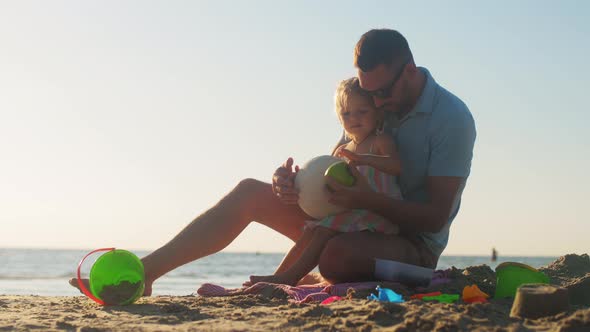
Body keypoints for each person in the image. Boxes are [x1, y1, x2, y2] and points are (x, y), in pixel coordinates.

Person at [70, 28, 476, 295]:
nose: (377, 103)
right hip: (349, 220)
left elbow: (434, 218)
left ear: (409, 71)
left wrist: (366, 199)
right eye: (370, 95)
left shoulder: (450, 118)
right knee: (251, 192)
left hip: (410, 245)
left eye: (383, 92)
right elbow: (338, 181)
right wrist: (296, 189)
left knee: (335, 257)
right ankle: (143, 274)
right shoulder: (371, 105)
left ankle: (296, 281)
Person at [246, 77, 403, 286]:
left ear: (377, 112)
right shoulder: (342, 150)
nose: (354, 118)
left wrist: (365, 160)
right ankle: (279, 276)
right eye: (346, 114)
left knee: (323, 230)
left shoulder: (380, 141)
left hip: (377, 212)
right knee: (311, 231)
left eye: (362, 112)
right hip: (352, 211)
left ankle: (289, 278)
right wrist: (301, 180)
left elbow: (396, 166)